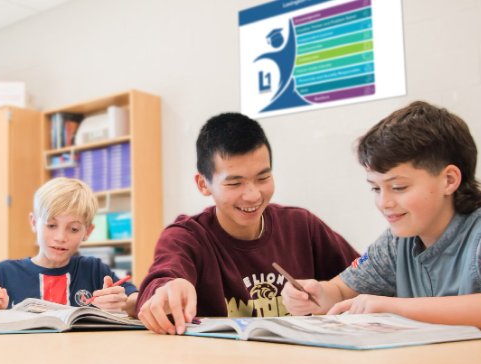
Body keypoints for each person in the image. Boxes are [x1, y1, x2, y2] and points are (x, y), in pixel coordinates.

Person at [281, 101, 481, 336]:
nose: (384, 203)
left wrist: (397, 309)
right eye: (375, 188)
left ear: (449, 180)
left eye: (399, 187)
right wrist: (319, 294)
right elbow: (341, 291)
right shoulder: (397, 242)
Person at [136, 112, 359, 334]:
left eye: (263, 178)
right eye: (235, 183)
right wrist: (167, 290)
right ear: (203, 184)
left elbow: (366, 277)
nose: (253, 195)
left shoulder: (301, 226)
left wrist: (331, 293)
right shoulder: (187, 236)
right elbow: (160, 282)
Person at [0, 177, 137, 315]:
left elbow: (137, 298)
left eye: (73, 229)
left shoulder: (94, 270)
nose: (60, 237)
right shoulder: (4, 273)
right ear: (33, 223)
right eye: (51, 225)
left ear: (87, 232)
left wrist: (125, 303)